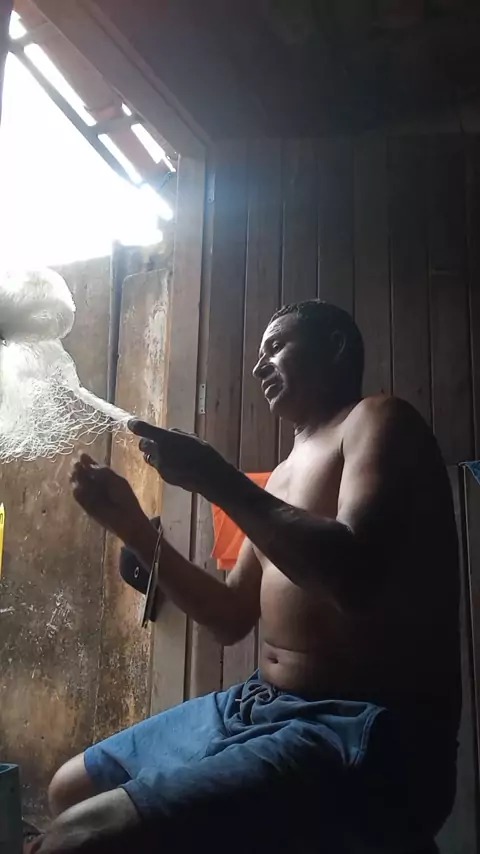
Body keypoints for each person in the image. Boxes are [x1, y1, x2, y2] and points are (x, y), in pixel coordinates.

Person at [39, 300, 460, 854]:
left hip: (358, 724)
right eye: (260, 355)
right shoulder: (281, 475)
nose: (260, 366)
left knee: (77, 838)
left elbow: (353, 575)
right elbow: (230, 617)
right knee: (68, 789)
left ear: (335, 346)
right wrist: (133, 528)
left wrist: (216, 477)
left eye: (277, 346)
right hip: (259, 704)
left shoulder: (377, 420)